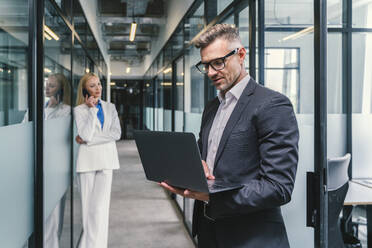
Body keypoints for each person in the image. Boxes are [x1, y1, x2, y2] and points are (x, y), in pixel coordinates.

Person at [160, 24, 299, 247]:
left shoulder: (272, 105)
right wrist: (197, 166)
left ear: (241, 55)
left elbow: (278, 187)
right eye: (205, 65)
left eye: (218, 62)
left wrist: (211, 197)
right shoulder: (212, 107)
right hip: (208, 231)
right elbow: (203, 154)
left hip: (250, 238)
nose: (210, 73)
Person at [74, 73, 121, 248]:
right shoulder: (79, 110)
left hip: (107, 160)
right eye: (92, 86)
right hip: (86, 163)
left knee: (101, 209)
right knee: (88, 211)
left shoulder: (110, 107)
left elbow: (116, 134)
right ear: (85, 90)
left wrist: (89, 140)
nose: (98, 88)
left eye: (99, 84)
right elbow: (84, 133)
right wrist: (92, 110)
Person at [43, 73, 71, 248]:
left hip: (55, 166)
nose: (47, 88)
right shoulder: (39, 107)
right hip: (39, 165)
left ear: (60, 90)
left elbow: (52, 136)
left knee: (52, 213)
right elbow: (27, 126)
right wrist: (46, 111)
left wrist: (48, 113)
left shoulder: (67, 111)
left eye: (51, 86)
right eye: (46, 84)